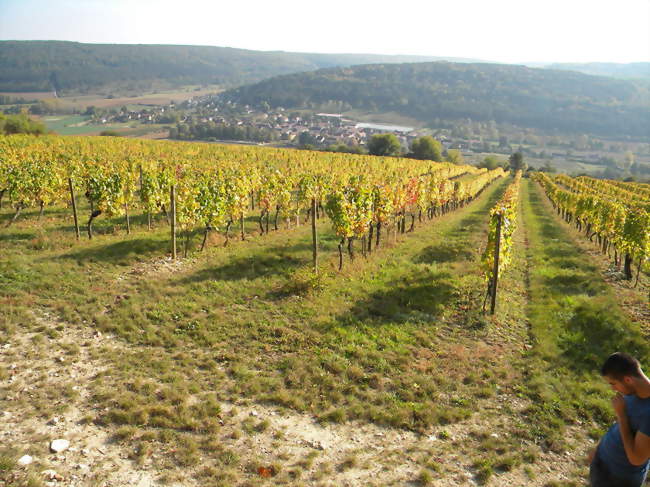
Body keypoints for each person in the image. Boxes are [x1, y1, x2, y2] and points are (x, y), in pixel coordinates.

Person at [589, 352, 650, 486]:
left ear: (628, 379)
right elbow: (622, 427)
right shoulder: (633, 392)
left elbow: (636, 459)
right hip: (603, 464)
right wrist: (600, 449)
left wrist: (621, 415)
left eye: (614, 383)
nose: (613, 388)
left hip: (619, 479)